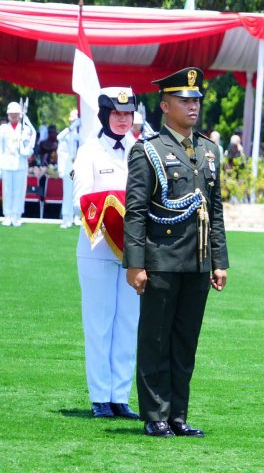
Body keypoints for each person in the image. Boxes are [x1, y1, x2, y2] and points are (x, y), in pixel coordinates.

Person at [124, 67, 229, 438]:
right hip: (161, 259)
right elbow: (136, 211)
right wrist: (135, 264)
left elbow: (215, 211)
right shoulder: (148, 150)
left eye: (196, 100)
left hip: (197, 262)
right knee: (156, 339)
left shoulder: (209, 150)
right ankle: (156, 414)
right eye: (184, 100)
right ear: (165, 105)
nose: (193, 106)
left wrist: (219, 262)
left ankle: (178, 415)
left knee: (185, 342)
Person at [73, 87, 140, 419]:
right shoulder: (89, 151)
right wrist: (112, 203)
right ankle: (100, 396)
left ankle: (120, 397)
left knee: (128, 324)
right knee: (99, 323)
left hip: (134, 251)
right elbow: (80, 199)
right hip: (97, 246)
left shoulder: (141, 148)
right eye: (116, 113)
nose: (123, 120)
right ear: (104, 115)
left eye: (127, 114)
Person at [0, 101, 36, 226]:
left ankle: (16, 216)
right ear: (8, 115)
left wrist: (27, 152)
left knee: (19, 191)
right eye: (11, 113)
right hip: (6, 164)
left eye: (16, 113)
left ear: (20, 115)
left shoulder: (26, 129)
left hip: (20, 164)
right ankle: (7, 215)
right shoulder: (3, 129)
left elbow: (30, 147)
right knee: (7, 191)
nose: (14, 116)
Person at [57, 109, 81, 229]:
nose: (74, 122)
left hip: (80, 166)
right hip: (70, 167)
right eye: (73, 121)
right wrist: (71, 128)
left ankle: (77, 216)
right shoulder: (67, 133)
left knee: (78, 192)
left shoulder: (83, 133)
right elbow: (59, 138)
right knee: (68, 192)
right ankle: (66, 217)